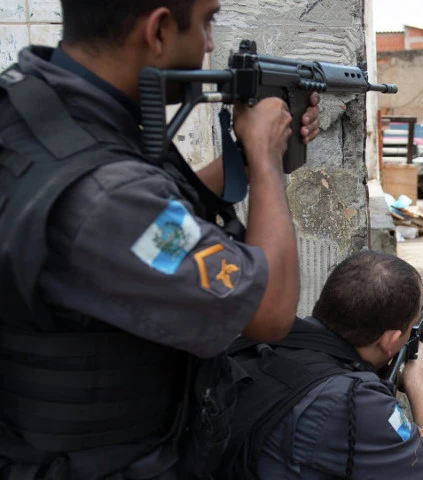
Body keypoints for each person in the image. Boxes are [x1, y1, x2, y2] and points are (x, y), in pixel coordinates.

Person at [0, 0, 321, 477]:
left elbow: (159, 217)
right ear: (159, 30)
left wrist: (244, 156)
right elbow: (268, 311)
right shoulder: (108, 196)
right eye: (208, 22)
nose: (211, 44)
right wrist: (268, 159)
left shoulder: (38, 105)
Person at [222, 251, 423, 480]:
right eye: (410, 331)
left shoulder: (267, 339)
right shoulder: (351, 401)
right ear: (390, 341)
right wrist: (418, 384)